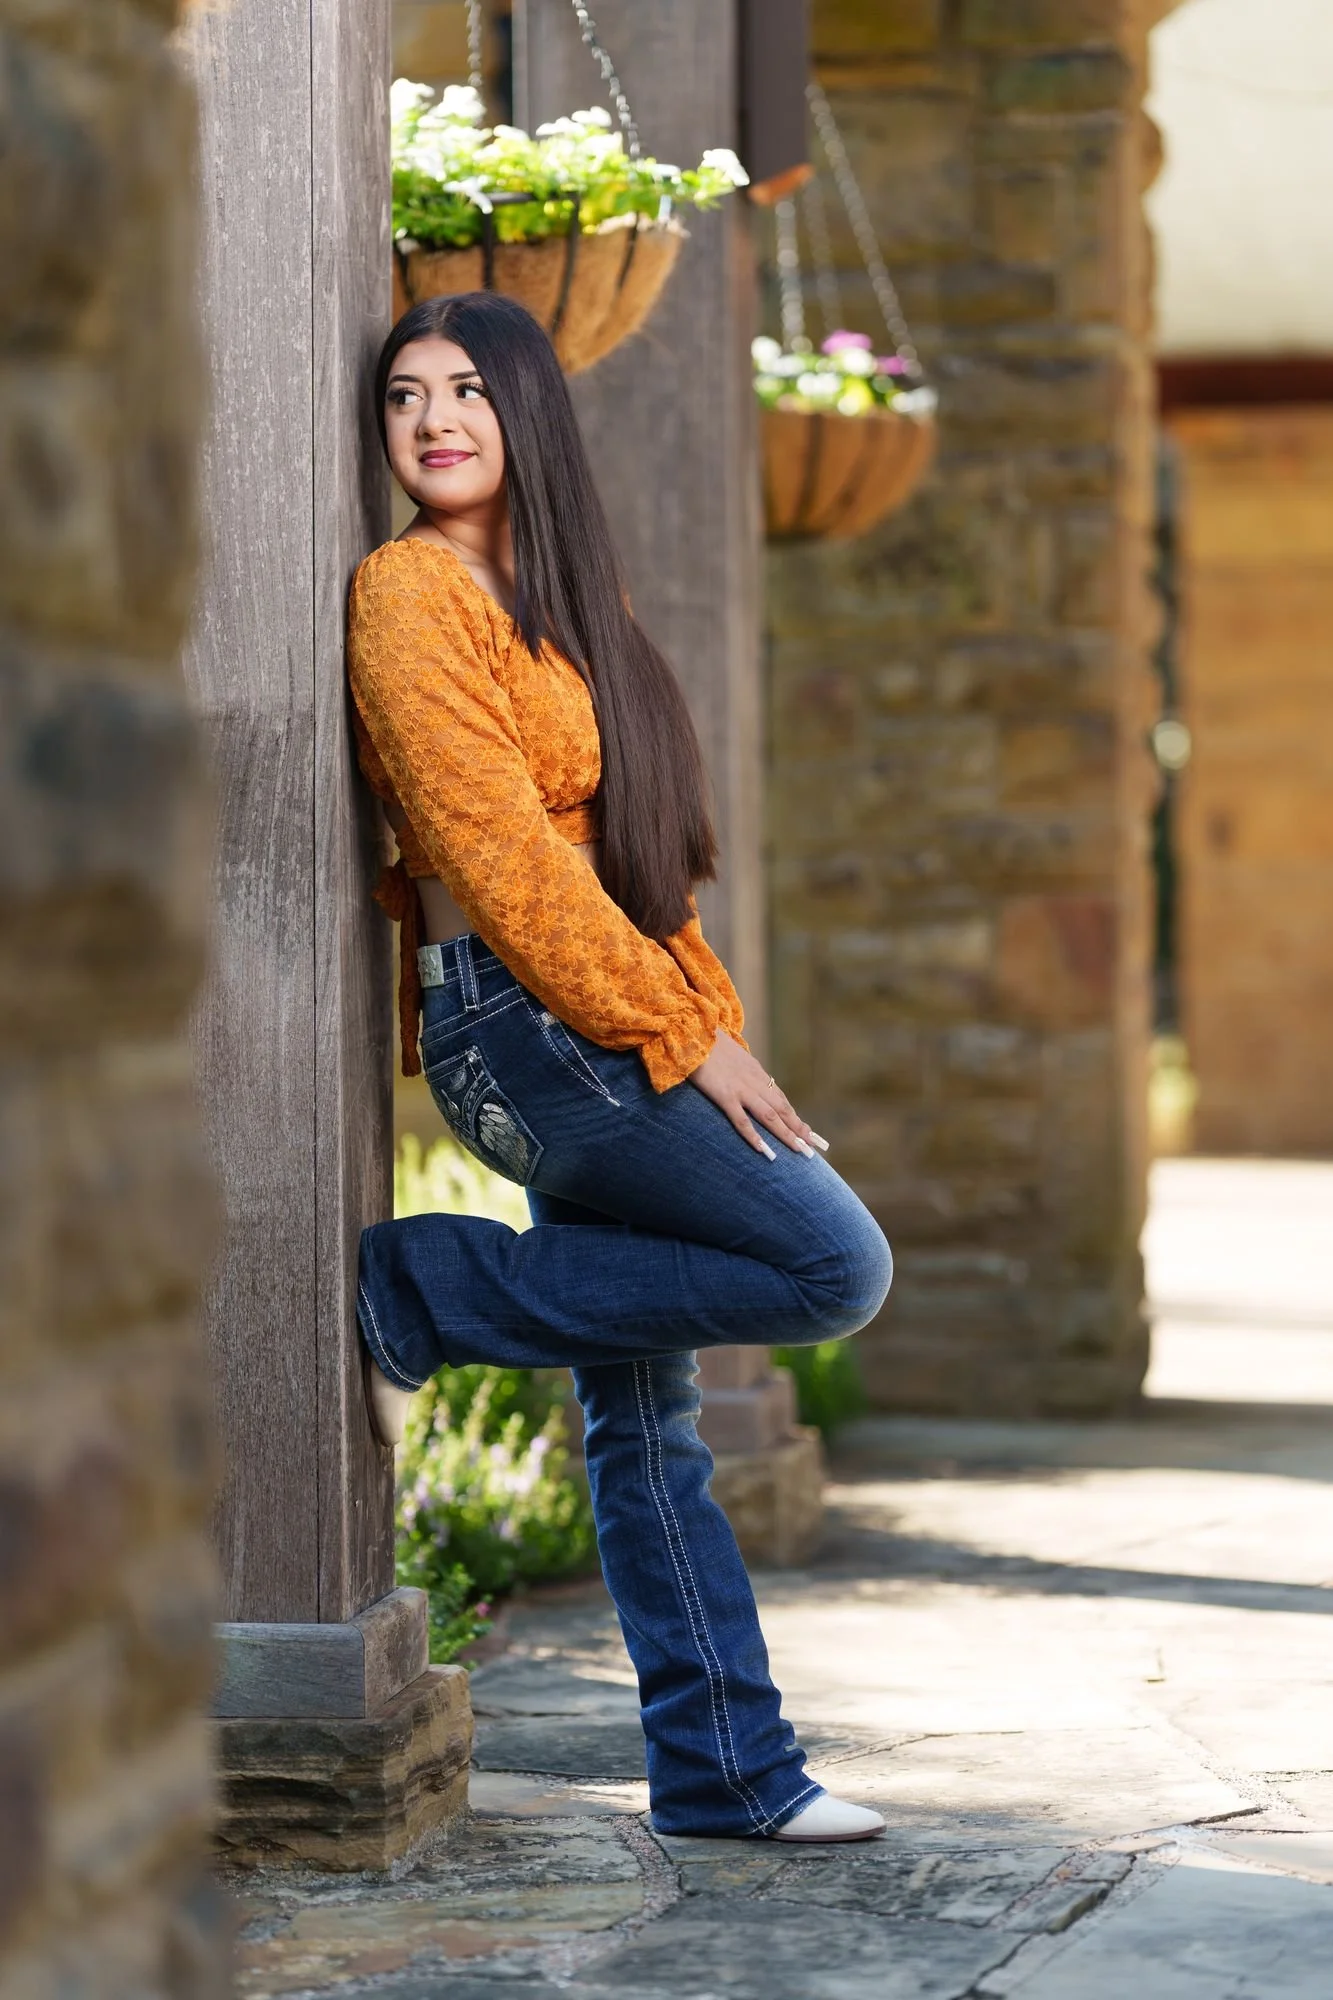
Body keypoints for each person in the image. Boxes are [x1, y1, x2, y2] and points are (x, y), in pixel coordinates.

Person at [347, 292, 892, 1843]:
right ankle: (427, 1292)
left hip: (597, 1016)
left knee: (644, 1424)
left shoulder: (567, 604)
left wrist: (706, 1019)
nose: (436, 419)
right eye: (404, 396)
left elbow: (646, 870)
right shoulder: (407, 592)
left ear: (529, 411)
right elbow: (497, 856)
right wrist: (677, 1035)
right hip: (520, 1028)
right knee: (830, 1262)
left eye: (467, 388)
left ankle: (726, 1773)